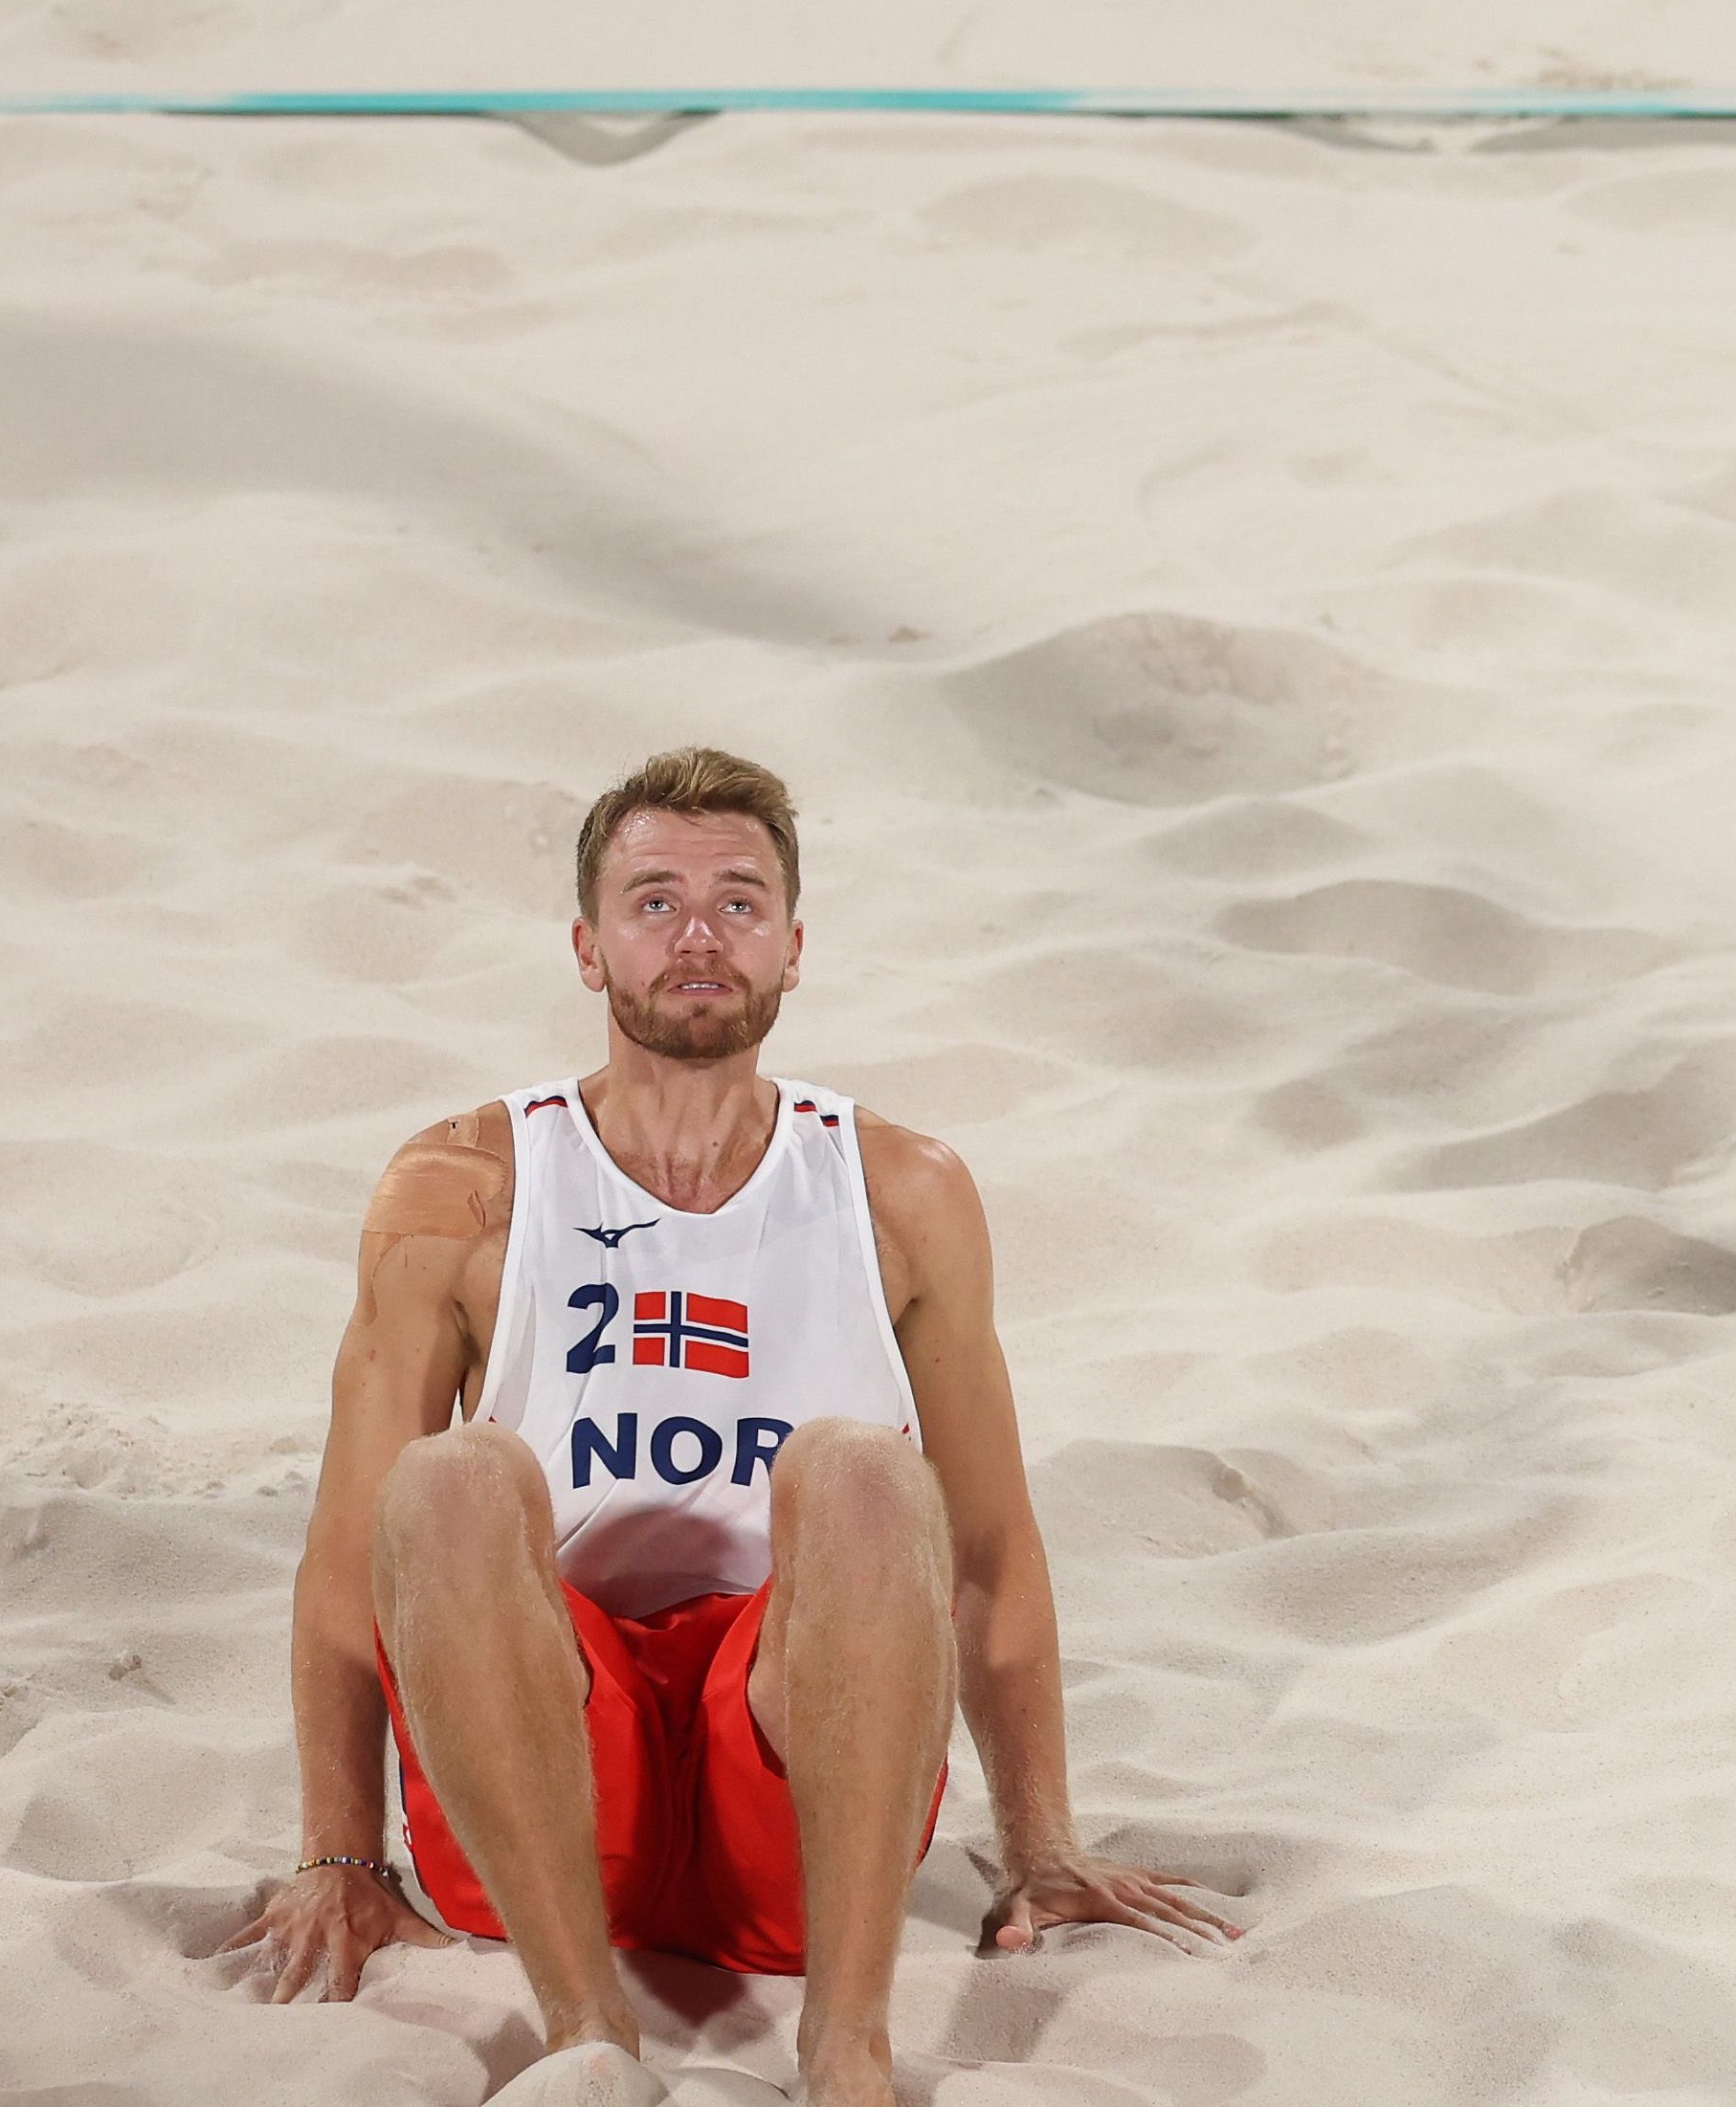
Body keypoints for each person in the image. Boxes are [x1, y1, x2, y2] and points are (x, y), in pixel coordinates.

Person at [222, 747, 1234, 2107]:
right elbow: (354, 1553)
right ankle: (589, 2031)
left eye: (739, 902)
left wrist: (1042, 1838)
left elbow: (990, 1543)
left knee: (865, 1469)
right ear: (587, 948)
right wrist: (340, 1856)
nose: (698, 934)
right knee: (449, 1477)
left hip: (809, 1755)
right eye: (654, 900)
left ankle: (849, 2046)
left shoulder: (903, 1188)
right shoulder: (465, 1182)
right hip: (551, 1751)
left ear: (795, 948)